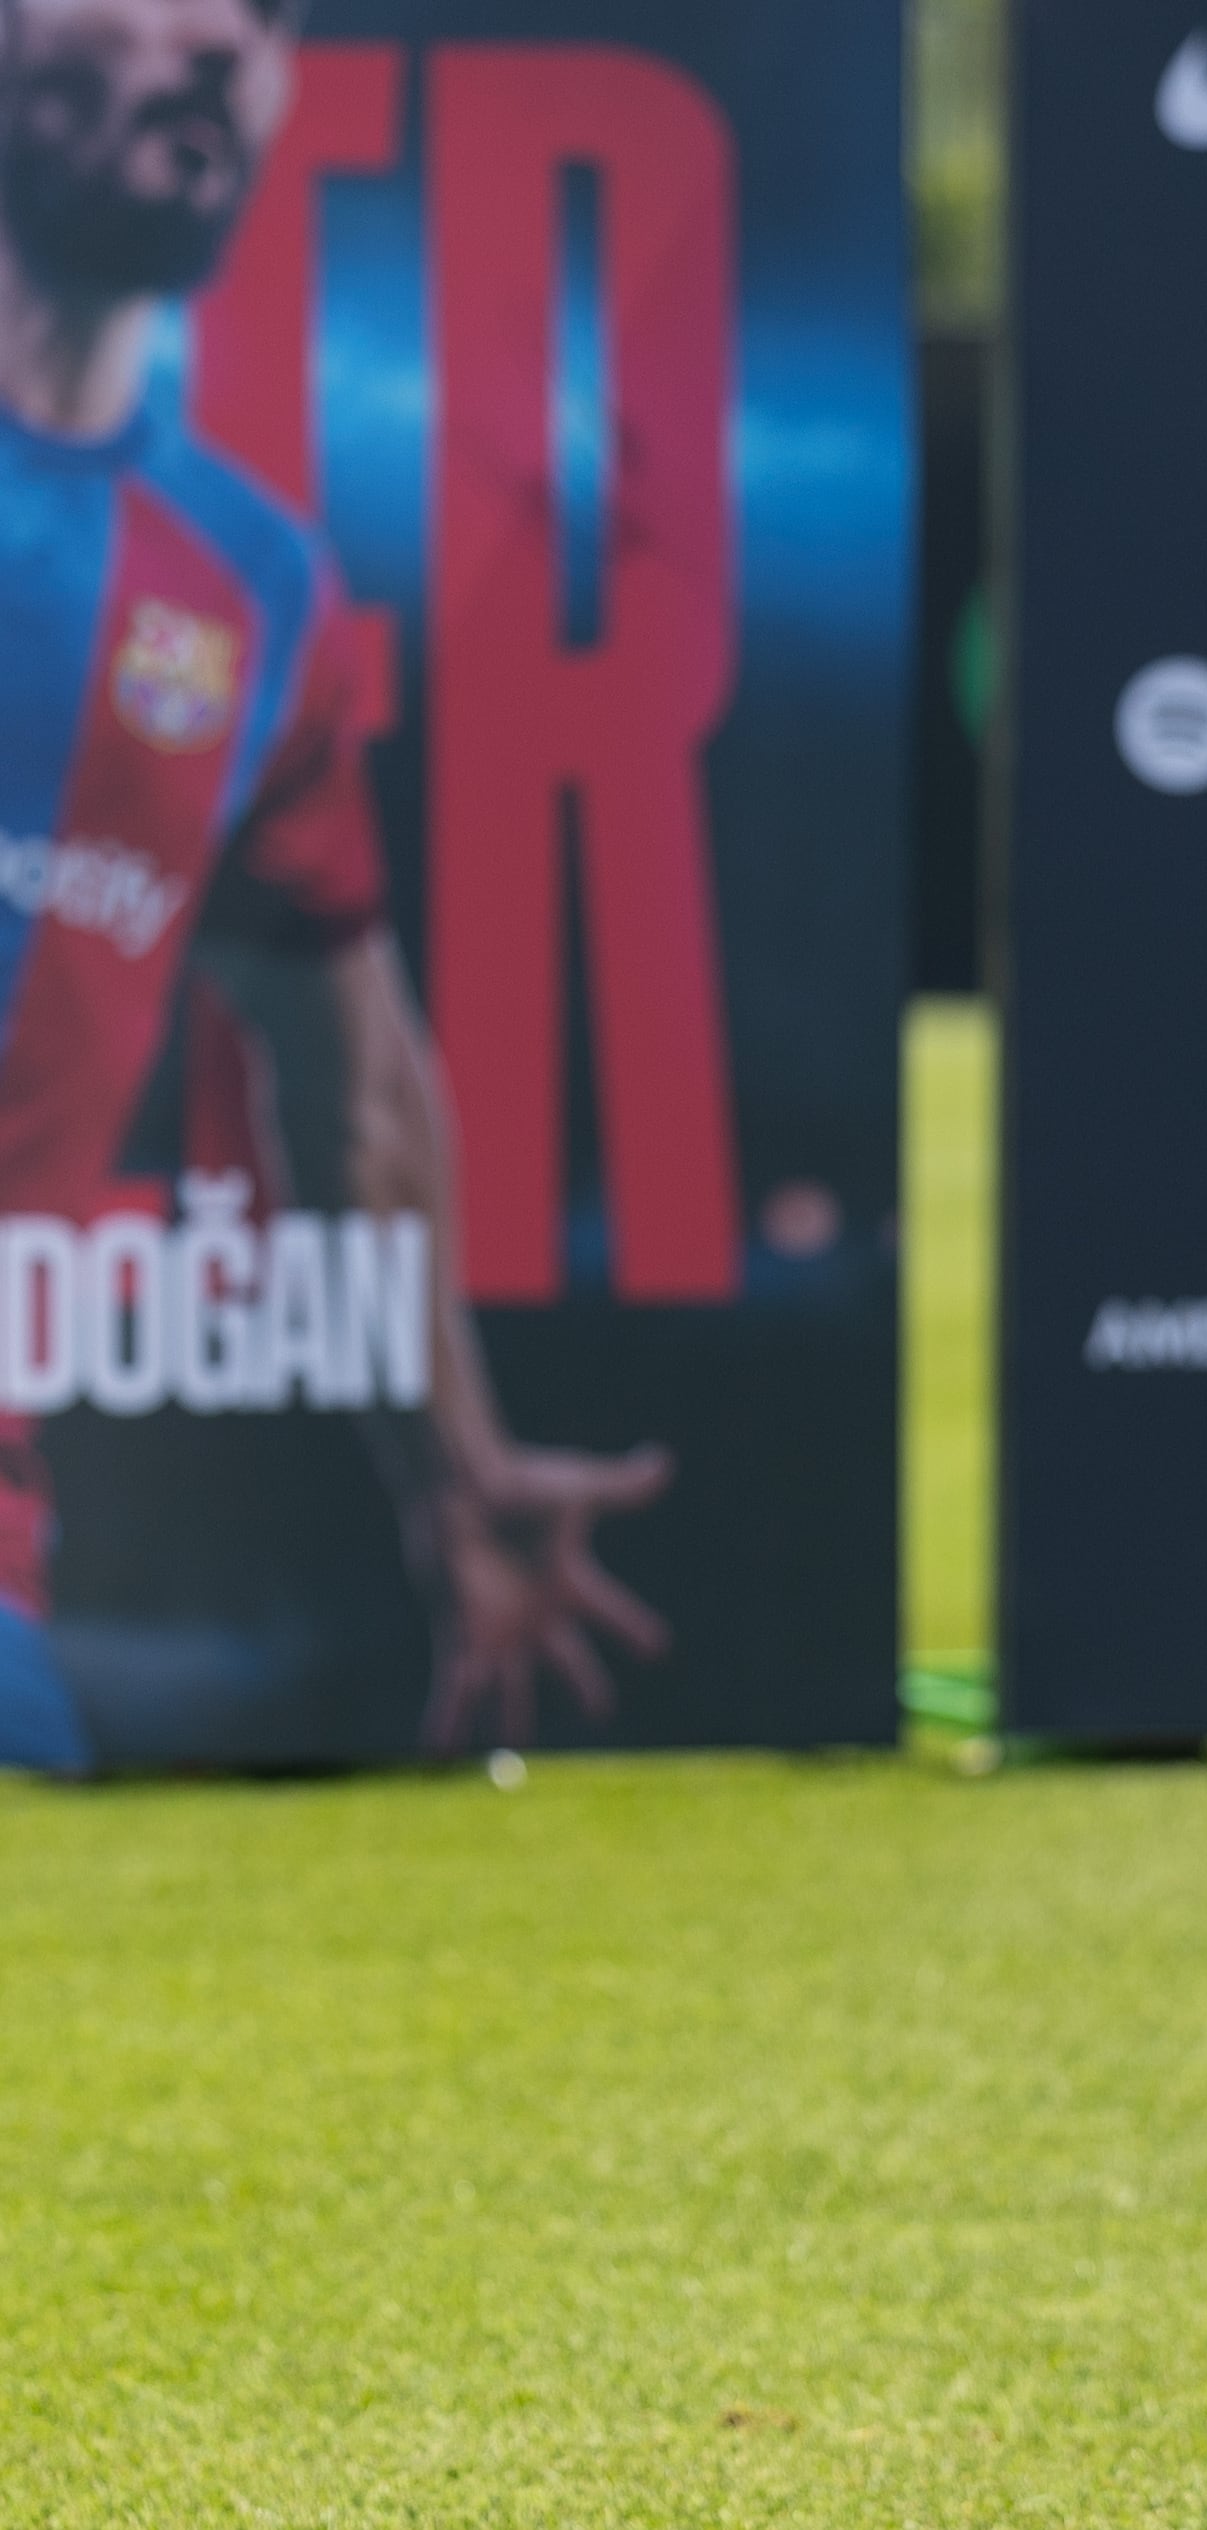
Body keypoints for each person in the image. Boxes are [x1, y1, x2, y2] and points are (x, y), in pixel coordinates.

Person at [0, 0, 671, 1767]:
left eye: (262, 13)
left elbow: (353, 1089)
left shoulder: (243, 586)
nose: (219, 42)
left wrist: (452, 1468)